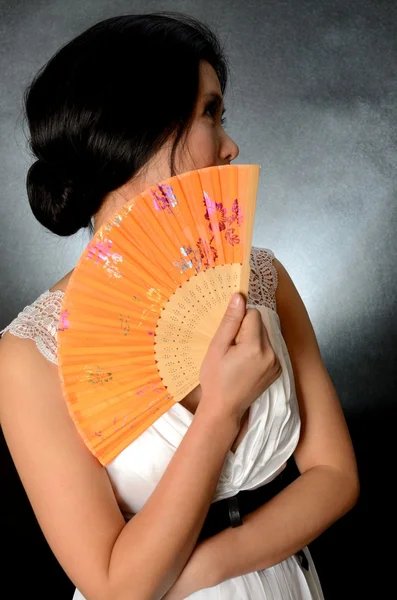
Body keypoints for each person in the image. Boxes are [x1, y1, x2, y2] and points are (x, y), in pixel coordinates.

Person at [0, 12, 359, 600]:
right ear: (139, 130)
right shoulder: (30, 354)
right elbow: (117, 588)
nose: (230, 143)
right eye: (210, 113)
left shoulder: (263, 278)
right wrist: (220, 410)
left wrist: (205, 569)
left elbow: (337, 476)